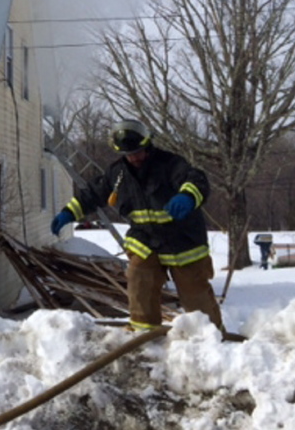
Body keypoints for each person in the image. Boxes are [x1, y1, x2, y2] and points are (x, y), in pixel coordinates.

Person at [51, 118, 224, 332]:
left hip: (183, 243)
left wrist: (188, 196)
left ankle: (211, 340)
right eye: (129, 154)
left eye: (138, 152)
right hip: (146, 241)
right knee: (139, 280)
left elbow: (196, 179)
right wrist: (69, 213)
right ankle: (145, 336)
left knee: (195, 296)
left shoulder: (170, 164)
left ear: (148, 145)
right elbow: (94, 193)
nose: (134, 158)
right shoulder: (118, 174)